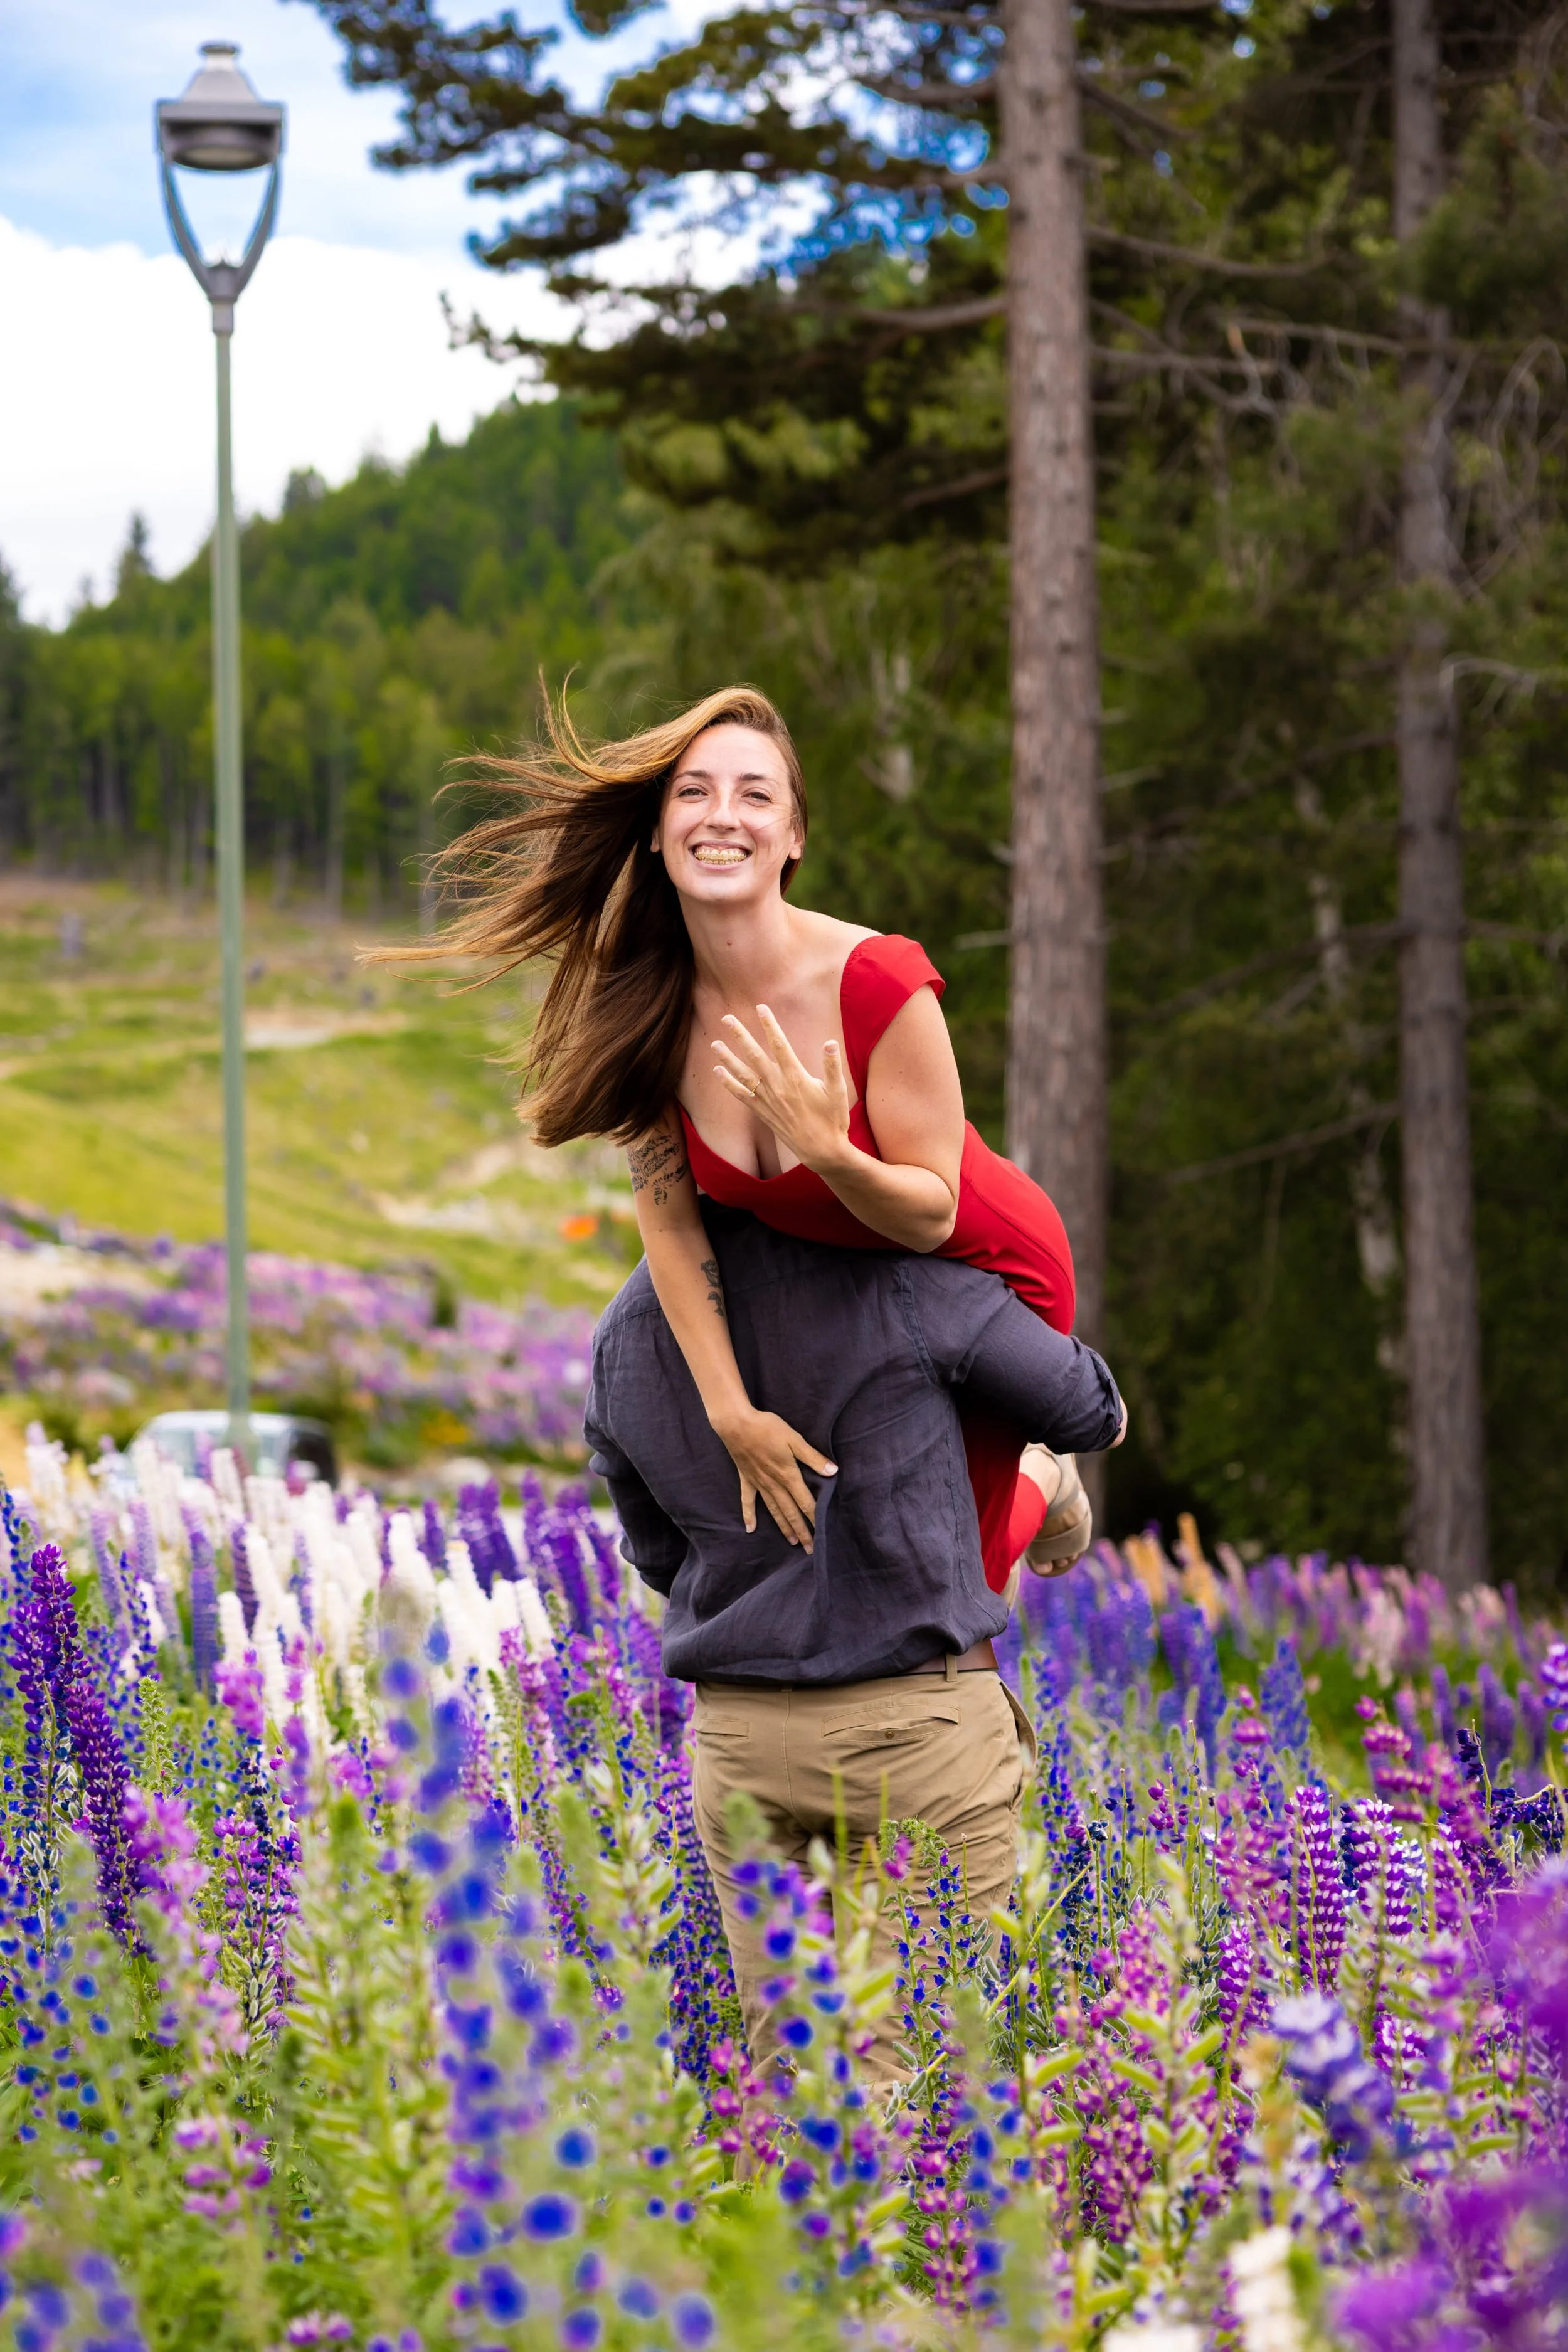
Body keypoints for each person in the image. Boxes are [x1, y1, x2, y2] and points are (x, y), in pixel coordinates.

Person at [394, 684, 1094, 1590]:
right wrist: (729, 1413)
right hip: (843, 1277)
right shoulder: (647, 1012)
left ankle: (1047, 1474)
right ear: (655, 829)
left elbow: (932, 1214)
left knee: (947, 1566)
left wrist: (833, 1151)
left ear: (793, 837)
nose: (723, 815)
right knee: (856, 1544)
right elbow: (674, 1227)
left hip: (985, 1270)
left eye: (756, 794)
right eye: (694, 791)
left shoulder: (878, 981)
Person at [584, 1201, 1125, 2084]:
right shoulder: (896, 1273)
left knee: (787, 2085)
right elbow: (1088, 1409)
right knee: (912, 2093)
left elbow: (655, 1555)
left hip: (740, 1740)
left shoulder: (628, 1328)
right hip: (912, 1734)